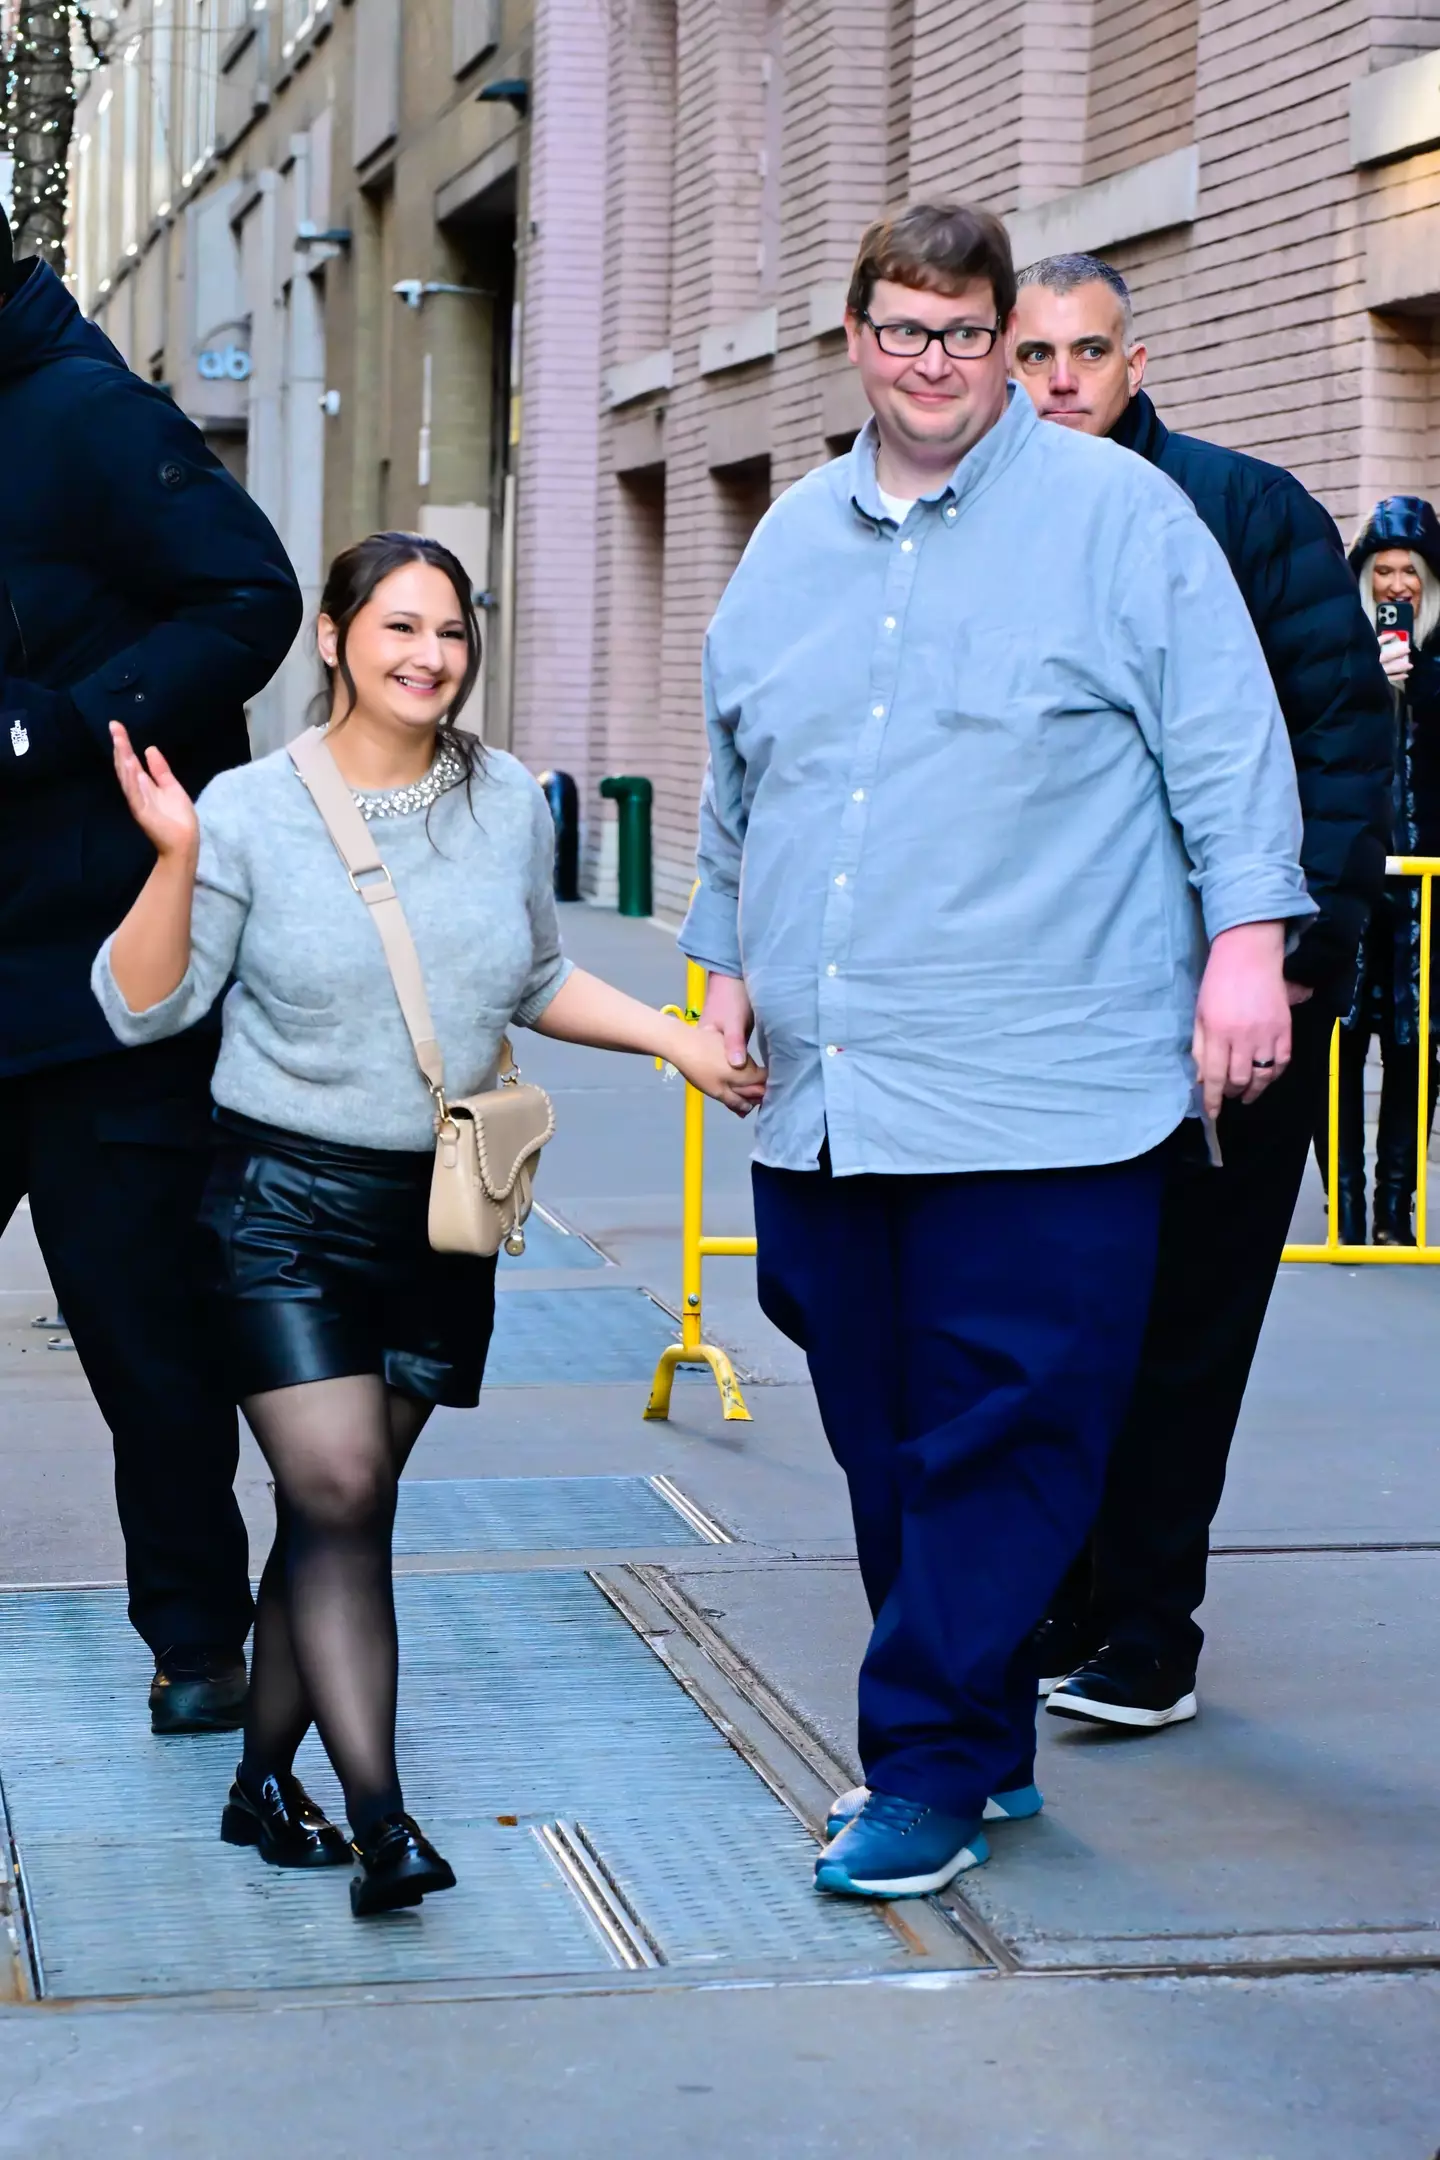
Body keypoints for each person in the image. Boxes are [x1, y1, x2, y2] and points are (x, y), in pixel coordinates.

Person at [681, 202, 1312, 1901]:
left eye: (968, 334)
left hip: (1049, 1090)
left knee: (1010, 1432)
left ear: (1007, 343)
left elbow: (1231, 754)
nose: (937, 365)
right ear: (854, 336)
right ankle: (979, 1736)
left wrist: (1249, 952)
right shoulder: (791, 543)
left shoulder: (1126, 523)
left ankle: (928, 1762)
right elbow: (747, 783)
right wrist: (720, 970)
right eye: (904, 329)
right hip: (833, 1095)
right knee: (889, 1436)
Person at [92, 531, 763, 1917]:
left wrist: (677, 1041)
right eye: (398, 627)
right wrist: (172, 858)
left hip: (442, 1218)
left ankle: (258, 1780)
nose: (429, 656)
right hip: (280, 1208)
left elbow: (534, 975)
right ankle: (385, 1820)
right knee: (339, 1493)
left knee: (338, 1516)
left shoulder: (508, 799)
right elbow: (139, 1004)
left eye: (451, 632)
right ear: (332, 639)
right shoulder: (252, 810)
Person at [1011, 253, 1392, 1728]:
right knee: (1052, 1323)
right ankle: (1060, 1593)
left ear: (1134, 358)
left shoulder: (1244, 511)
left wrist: (1291, 966)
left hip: (1240, 1014)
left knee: (1186, 1330)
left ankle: (1146, 1630)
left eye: (1084, 353)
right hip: (1053, 1013)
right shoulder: (985, 528)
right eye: (1032, 355)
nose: (1058, 383)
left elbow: (1343, 747)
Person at [0, 205, 303, 1731]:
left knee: (141, 1334)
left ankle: (198, 1642)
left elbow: (252, 599)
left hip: (99, 980)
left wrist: (64, 722)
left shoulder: (92, 414)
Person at [1315, 499, 1440, 1244]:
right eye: (1384, 571)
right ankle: (1348, 1207)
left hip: (1426, 884)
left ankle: (1397, 1206)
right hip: (1352, 876)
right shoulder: (1337, 644)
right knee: (1339, 1038)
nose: (1396, 586)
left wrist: (1420, 682)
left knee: (1413, 1044)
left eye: (1411, 574)